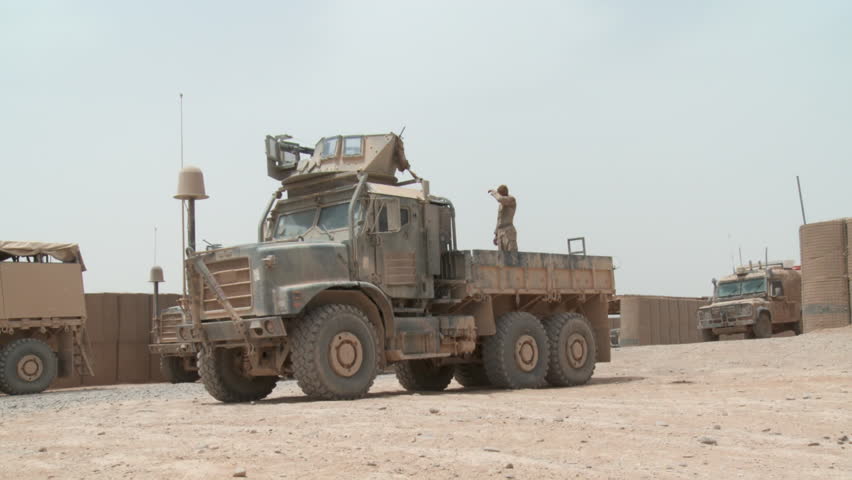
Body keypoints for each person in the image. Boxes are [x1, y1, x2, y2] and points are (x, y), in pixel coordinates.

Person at [488, 184, 517, 252]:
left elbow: (500, 199)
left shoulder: (511, 199)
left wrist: (495, 193)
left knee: (512, 256)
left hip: (508, 231)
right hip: (500, 232)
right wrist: (496, 234)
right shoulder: (501, 205)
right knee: (502, 258)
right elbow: (499, 219)